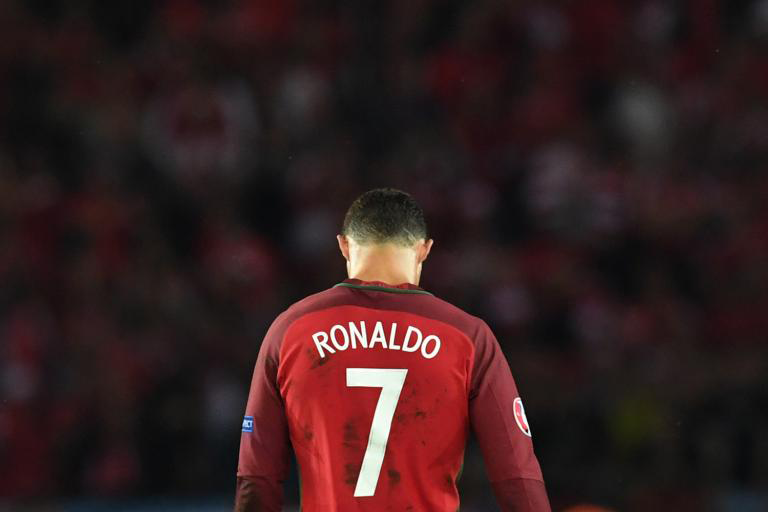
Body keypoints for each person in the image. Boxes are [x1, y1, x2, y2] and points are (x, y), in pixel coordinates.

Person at [234, 188, 551, 511]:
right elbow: (516, 475)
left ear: (343, 245)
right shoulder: (467, 337)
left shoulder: (291, 330)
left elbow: (257, 477)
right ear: (424, 249)